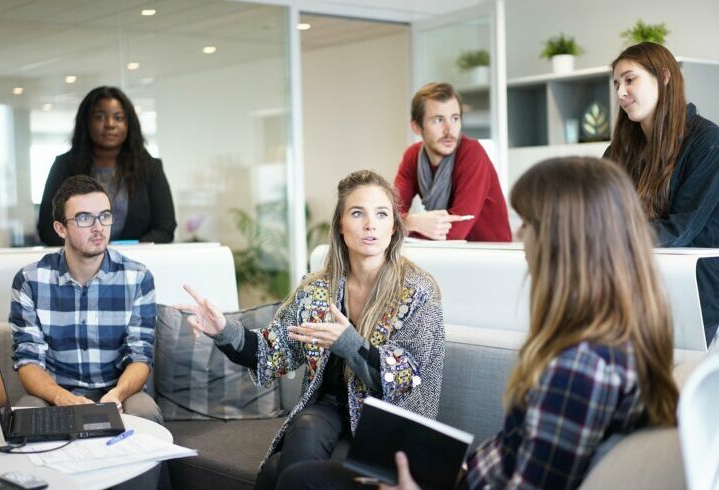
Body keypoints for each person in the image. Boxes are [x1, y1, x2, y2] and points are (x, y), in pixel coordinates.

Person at [292, 157, 679, 490]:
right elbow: (517, 458)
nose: (521, 236)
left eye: (528, 223)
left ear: (566, 241)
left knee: (301, 479)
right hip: (464, 476)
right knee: (295, 470)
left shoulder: (579, 369)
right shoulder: (616, 342)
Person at [179, 170, 445, 489]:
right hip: (330, 408)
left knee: (278, 471)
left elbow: (405, 378)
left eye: (382, 214)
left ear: (393, 227)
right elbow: (272, 351)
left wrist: (349, 343)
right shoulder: (317, 288)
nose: (370, 224)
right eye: (357, 213)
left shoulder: (418, 290)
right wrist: (223, 330)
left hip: (389, 420)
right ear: (341, 227)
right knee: (304, 426)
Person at [11, 175, 162, 424]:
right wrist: (64, 399)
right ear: (61, 228)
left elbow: (140, 356)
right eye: (84, 218)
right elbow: (28, 361)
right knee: (24, 415)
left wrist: (117, 395)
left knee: (145, 413)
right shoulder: (30, 280)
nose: (98, 227)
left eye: (105, 216)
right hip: (55, 394)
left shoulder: (137, 278)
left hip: (118, 392)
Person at [607, 42, 719, 346]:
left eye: (630, 80)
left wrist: (604, 236)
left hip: (693, 297)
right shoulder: (618, 151)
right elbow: (597, 212)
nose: (620, 93)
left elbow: (680, 229)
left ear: (664, 77)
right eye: (617, 83)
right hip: (633, 290)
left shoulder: (708, 142)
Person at [37, 86, 176, 246]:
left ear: (129, 124)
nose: (110, 124)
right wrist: (89, 251)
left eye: (118, 118)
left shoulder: (150, 168)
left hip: (136, 264)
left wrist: (126, 255)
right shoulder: (64, 166)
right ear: (86, 122)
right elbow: (48, 229)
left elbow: (165, 228)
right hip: (79, 266)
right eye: (100, 117)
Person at [394, 82, 511, 242]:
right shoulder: (412, 156)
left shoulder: (472, 153)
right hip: (447, 255)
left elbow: (455, 232)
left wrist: (405, 225)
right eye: (438, 120)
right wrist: (410, 222)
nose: (449, 130)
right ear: (416, 127)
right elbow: (387, 215)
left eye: (455, 118)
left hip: (490, 256)